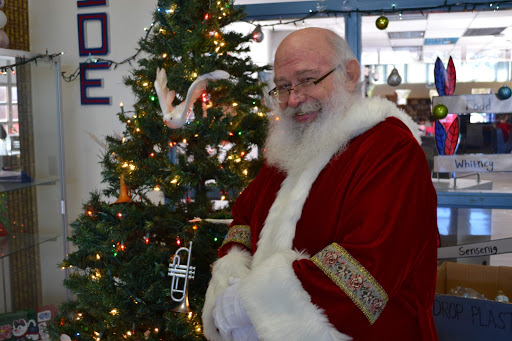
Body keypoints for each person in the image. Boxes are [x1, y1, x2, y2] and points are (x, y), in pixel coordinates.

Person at [202, 27, 439, 341]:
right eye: (283, 86)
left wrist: (248, 303)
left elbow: (367, 269)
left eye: (307, 79)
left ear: (350, 75)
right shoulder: (291, 147)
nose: (294, 98)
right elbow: (244, 218)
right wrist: (233, 271)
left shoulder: (391, 151)